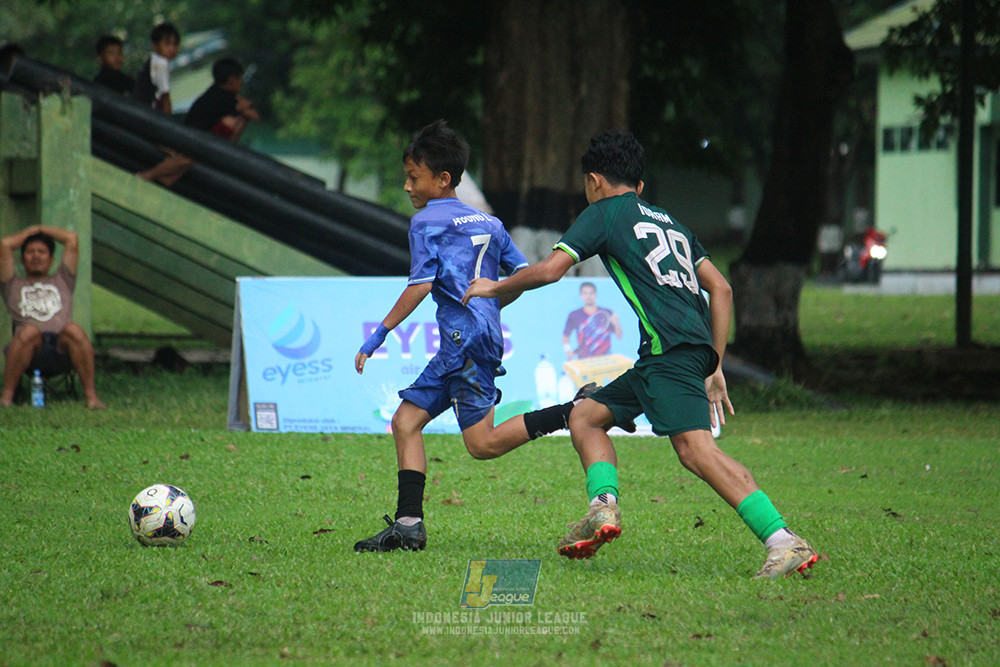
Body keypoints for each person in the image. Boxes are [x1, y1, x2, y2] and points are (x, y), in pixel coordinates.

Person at [463, 129, 818, 579]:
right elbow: (721, 288)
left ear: (593, 180)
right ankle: (602, 508)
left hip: (670, 353)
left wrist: (494, 287)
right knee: (585, 416)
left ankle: (782, 540)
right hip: (668, 356)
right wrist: (715, 364)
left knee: (696, 451)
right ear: (640, 185)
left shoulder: (604, 213)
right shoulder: (673, 224)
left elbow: (552, 270)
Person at [353, 120, 597, 553]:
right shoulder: (490, 222)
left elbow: (420, 286)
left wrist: (379, 334)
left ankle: (572, 410)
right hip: (469, 340)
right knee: (406, 422)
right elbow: (523, 276)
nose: (407, 186)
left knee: (481, 445)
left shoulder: (426, 222)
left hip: (463, 343)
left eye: (414, 177)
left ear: (442, 179)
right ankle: (409, 525)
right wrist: (491, 305)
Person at [1, 225, 106, 409]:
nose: (35, 256)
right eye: (30, 252)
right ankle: (7, 398)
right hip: (28, 348)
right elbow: (3, 245)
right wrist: (28, 233)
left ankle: (92, 398)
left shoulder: (63, 279)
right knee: (30, 330)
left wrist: (40, 229)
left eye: (42, 252)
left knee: (73, 329)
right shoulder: (12, 284)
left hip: (62, 348)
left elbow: (72, 239)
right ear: (22, 259)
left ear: (51, 259)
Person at [138, 57, 260, 187]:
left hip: (196, 135)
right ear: (231, 81)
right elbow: (254, 116)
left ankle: (163, 179)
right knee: (186, 160)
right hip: (193, 138)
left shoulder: (217, 92)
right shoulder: (225, 98)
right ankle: (148, 175)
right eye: (239, 79)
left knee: (183, 164)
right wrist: (246, 107)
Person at [562, 281, 622, 360]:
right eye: (585, 293)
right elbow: (565, 336)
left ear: (595, 294)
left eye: (591, 293)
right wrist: (568, 351)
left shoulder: (607, 313)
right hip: (584, 360)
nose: (588, 296)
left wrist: (616, 323)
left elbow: (619, 336)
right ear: (581, 296)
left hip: (606, 360)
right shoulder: (574, 315)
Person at [133, 23, 180, 113]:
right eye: (167, 44)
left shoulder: (152, 61)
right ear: (155, 46)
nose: (172, 48)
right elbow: (165, 97)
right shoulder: (160, 63)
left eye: (175, 44)